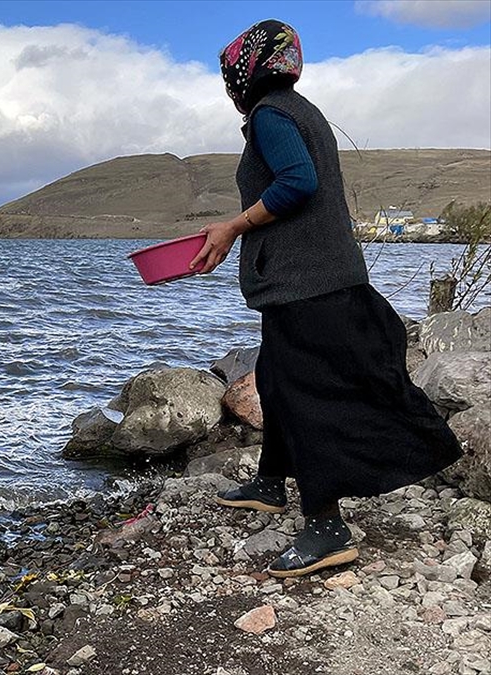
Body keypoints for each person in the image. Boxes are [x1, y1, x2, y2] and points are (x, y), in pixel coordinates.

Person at [188, 19, 462, 578]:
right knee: (276, 378)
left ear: (247, 70)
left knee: (312, 396)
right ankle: (270, 483)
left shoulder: (271, 115)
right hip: (314, 280)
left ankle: (327, 528)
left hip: (309, 285)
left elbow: (296, 183)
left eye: (229, 74)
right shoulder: (299, 108)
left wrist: (233, 227)